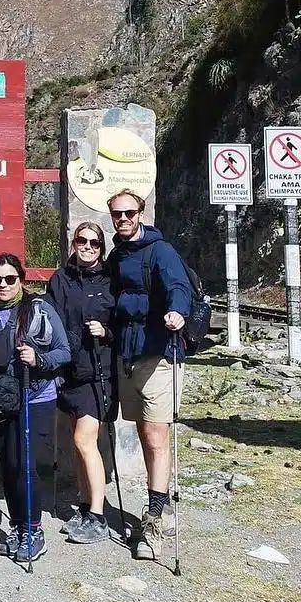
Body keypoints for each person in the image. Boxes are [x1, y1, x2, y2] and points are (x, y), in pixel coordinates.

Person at [0, 252, 70, 563]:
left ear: (20, 279)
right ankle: (18, 526)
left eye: (10, 278)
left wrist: (40, 360)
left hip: (35, 397)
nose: (3, 284)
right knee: (8, 465)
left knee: (26, 465)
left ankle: (34, 530)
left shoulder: (39, 310)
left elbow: (64, 351)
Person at [105, 190, 192, 562]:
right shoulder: (115, 254)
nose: (122, 219)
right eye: (116, 214)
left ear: (140, 212)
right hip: (128, 353)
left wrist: (177, 312)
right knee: (142, 429)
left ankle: (154, 516)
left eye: (128, 212)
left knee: (157, 433)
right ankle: (160, 502)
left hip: (159, 353)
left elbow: (177, 286)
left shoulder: (161, 251)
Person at [47, 221, 116, 546]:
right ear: (74, 243)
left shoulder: (110, 280)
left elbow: (123, 325)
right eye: (82, 241)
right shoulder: (60, 279)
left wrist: (107, 332)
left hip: (99, 373)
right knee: (79, 446)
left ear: (102, 247)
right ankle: (86, 506)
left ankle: (99, 518)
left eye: (94, 243)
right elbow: (49, 320)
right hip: (69, 371)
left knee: (85, 441)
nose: (88, 247)